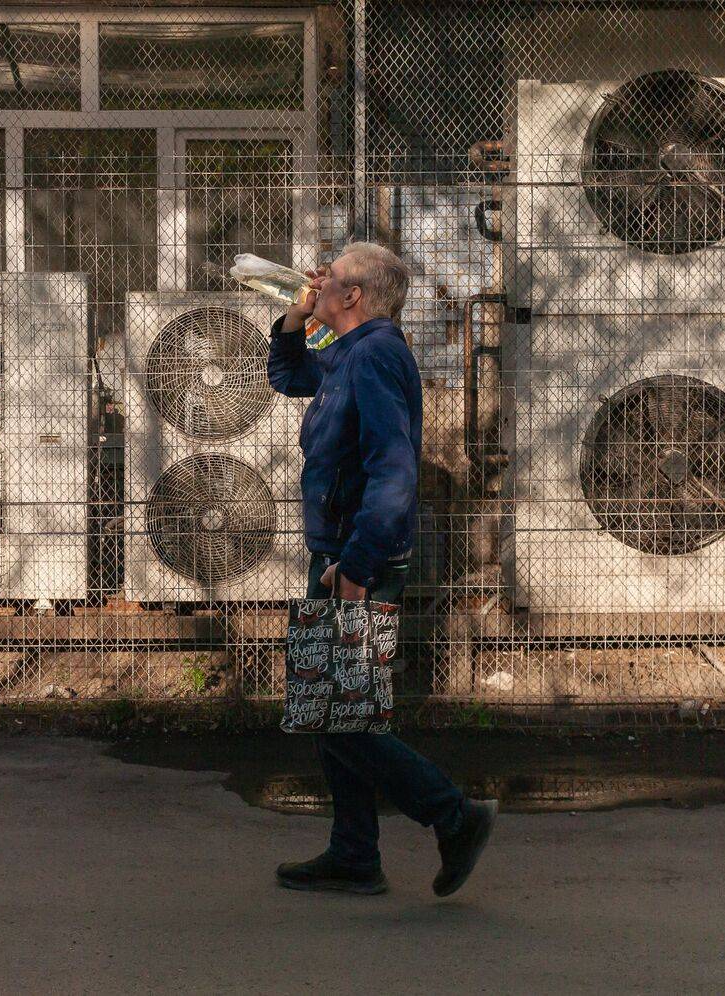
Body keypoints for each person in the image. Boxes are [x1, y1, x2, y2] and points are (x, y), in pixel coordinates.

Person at [267, 241, 498, 897]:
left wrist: (357, 567)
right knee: (335, 707)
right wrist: (293, 318)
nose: (317, 279)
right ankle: (354, 854)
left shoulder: (373, 356)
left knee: (336, 713)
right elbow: (288, 376)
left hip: (354, 559)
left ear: (353, 296)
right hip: (340, 553)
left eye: (331, 276)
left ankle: (453, 816)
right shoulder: (350, 352)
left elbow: (394, 474)